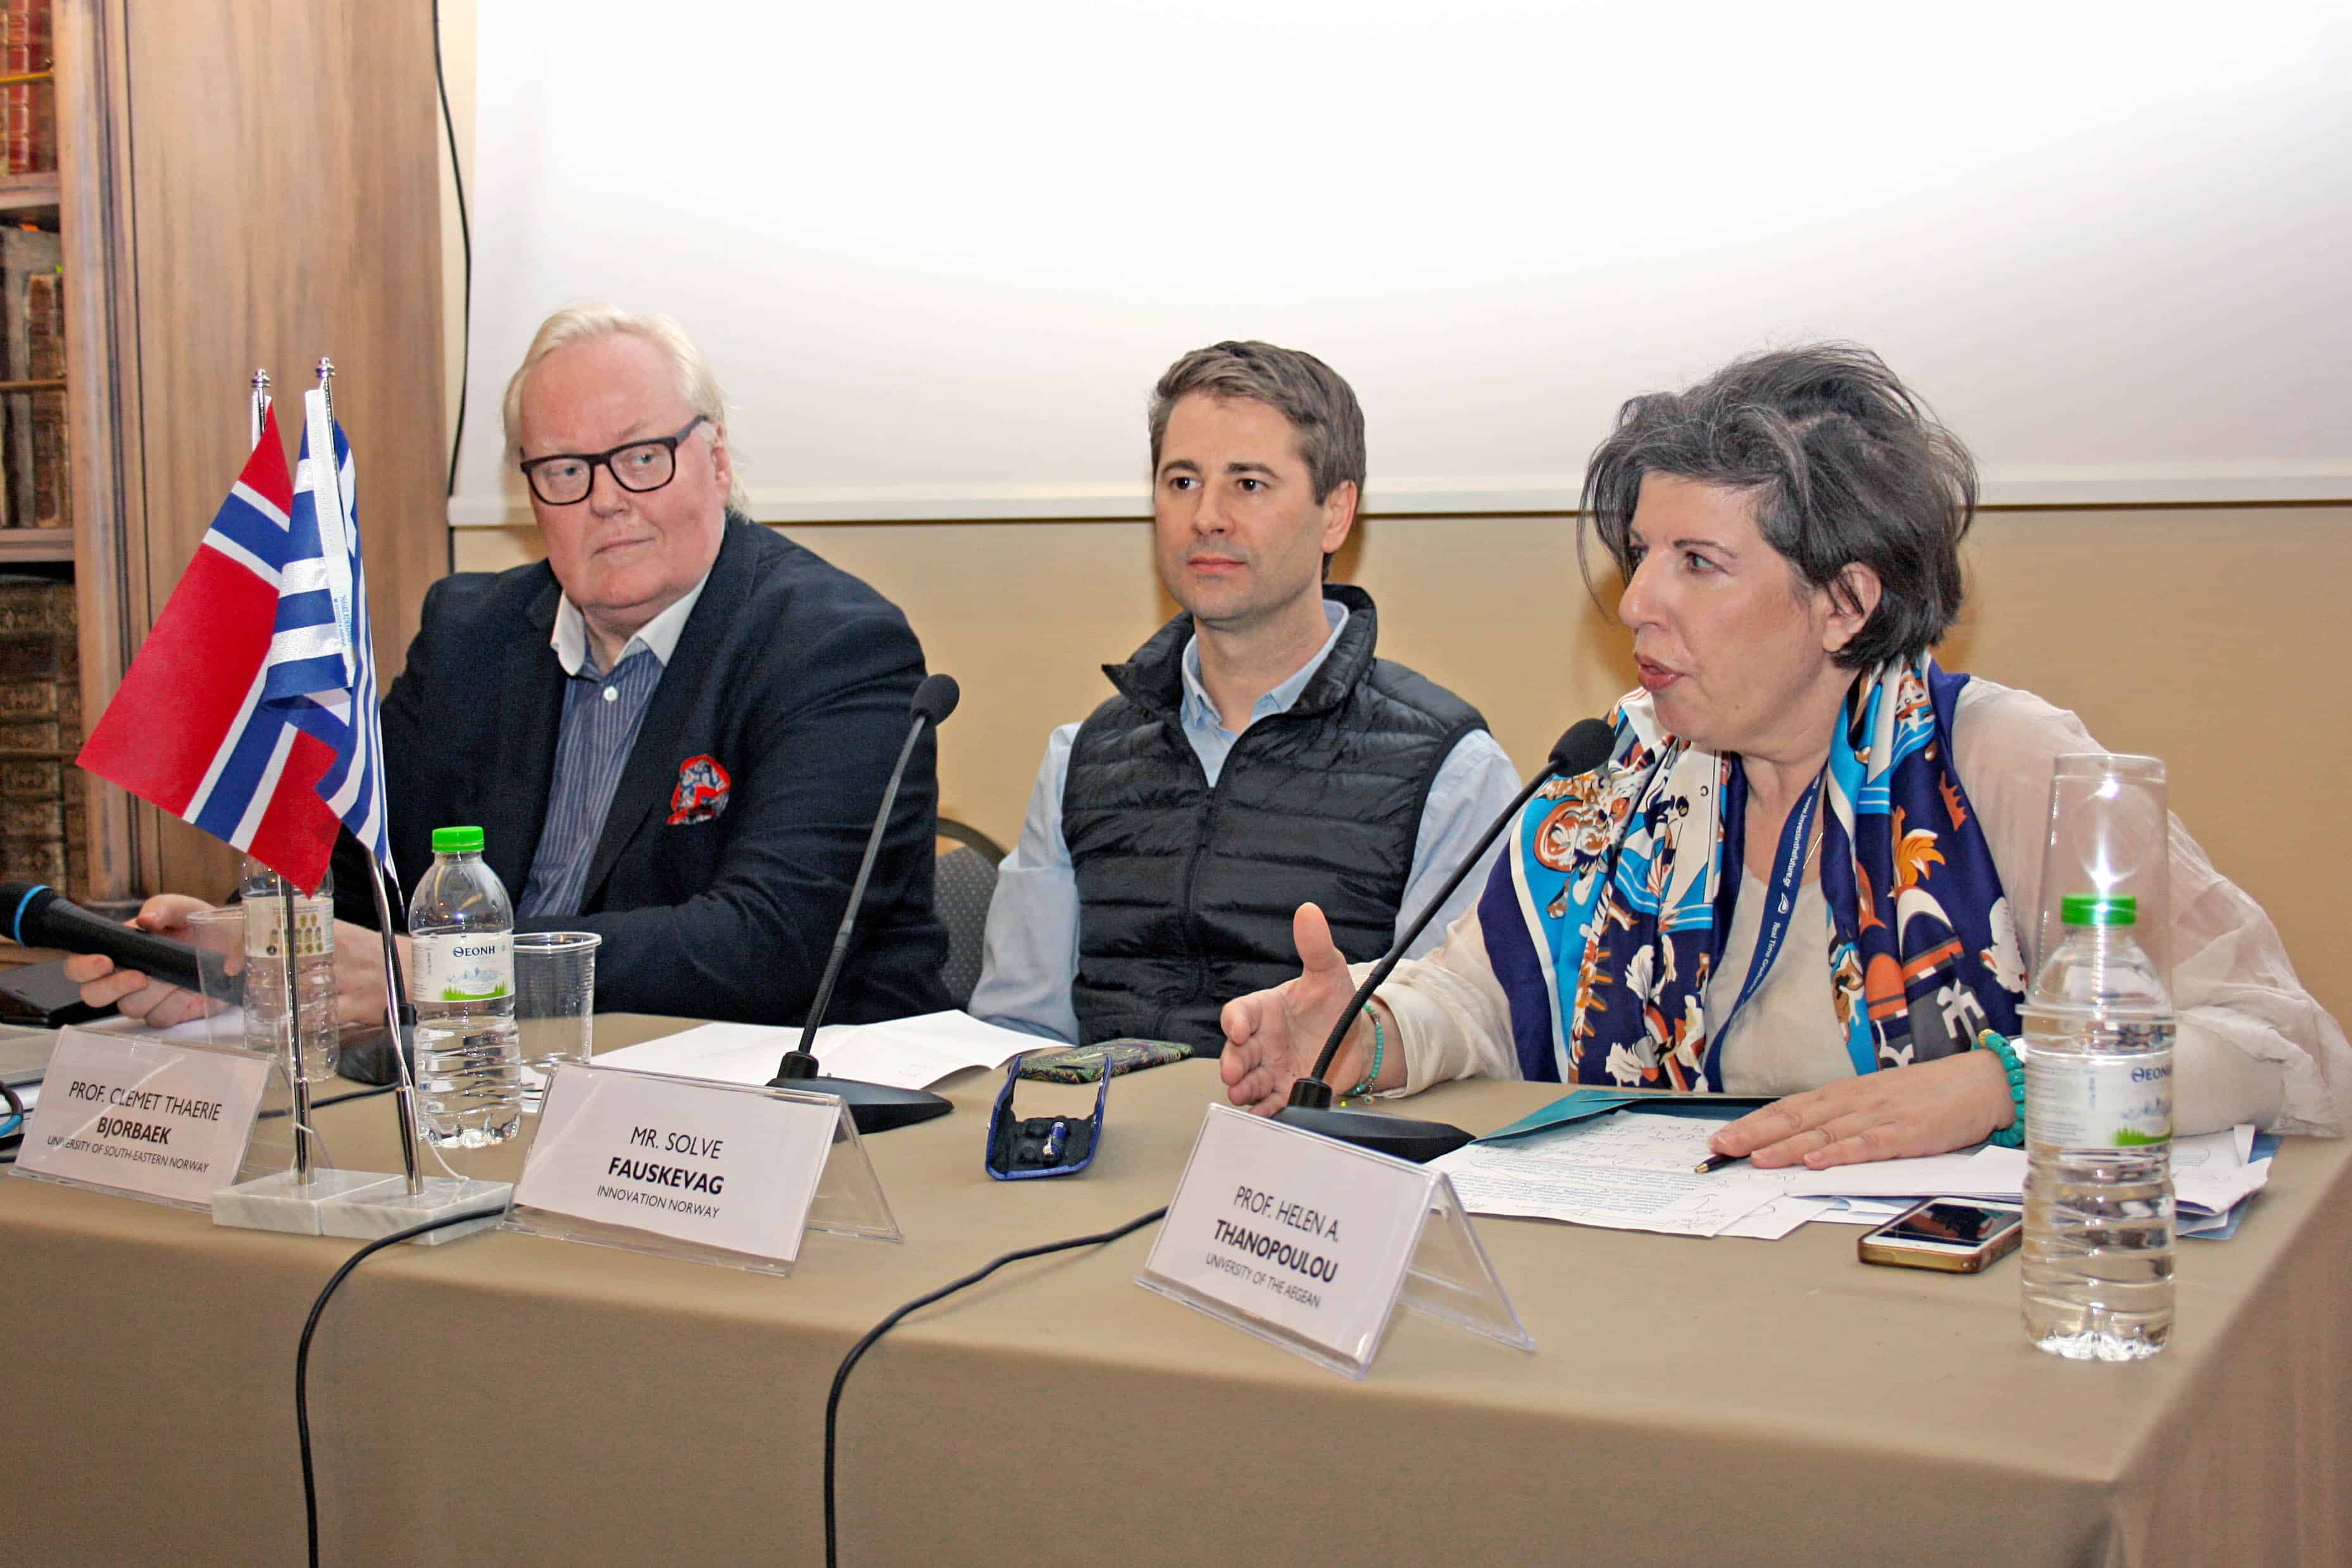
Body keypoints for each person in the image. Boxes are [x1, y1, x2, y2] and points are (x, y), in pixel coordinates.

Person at [1220, 344, 2350, 1161]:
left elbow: (2289, 1051)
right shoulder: (1630, 763)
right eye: (1641, 554)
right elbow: (1484, 996)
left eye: (1699, 564)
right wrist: (1368, 1030)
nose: (1640, 604)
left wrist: (2004, 1085)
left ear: (1844, 601)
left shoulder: (2003, 762)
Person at [68, 306, 951, 1028]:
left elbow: (767, 945)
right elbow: (352, 860)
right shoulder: (472, 634)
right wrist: (241, 953)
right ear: (532, 496)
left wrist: (441, 971)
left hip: (776, 1113)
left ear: (715, 462)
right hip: (490, 1080)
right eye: (566, 470)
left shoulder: (834, 646)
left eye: (644, 458)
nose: (608, 500)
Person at [970, 340, 1522, 1054]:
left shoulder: (1451, 771)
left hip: (1327, 1150)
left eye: (1249, 484)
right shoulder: (1081, 757)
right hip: (1106, 1148)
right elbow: (1017, 1032)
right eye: (1180, 482)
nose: (1206, 517)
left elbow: (1458, 1042)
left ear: (1335, 512)